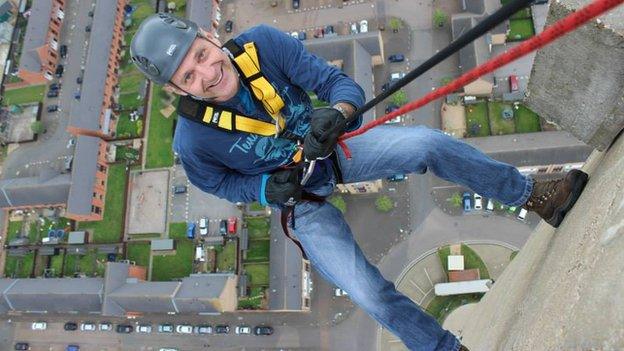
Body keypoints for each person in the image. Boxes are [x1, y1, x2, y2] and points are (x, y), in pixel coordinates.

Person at [130, 14, 587, 351]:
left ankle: (536, 197)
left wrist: (339, 113)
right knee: (368, 291)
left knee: (428, 143)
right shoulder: (192, 142)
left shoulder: (263, 46)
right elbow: (223, 186)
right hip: (299, 198)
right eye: (189, 75)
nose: (207, 74)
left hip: (331, 147)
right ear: (179, 90)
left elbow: (337, 85)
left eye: (202, 56)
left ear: (210, 38)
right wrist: (267, 191)